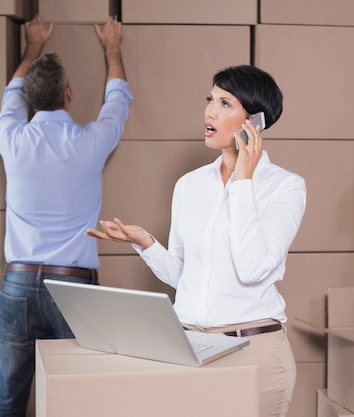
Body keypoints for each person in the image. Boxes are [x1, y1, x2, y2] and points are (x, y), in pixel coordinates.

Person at [86, 65, 306, 417]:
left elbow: (252, 268)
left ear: (256, 121)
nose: (210, 111)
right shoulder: (189, 185)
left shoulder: (285, 187)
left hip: (254, 349)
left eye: (225, 103)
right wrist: (146, 243)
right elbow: (185, 279)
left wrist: (244, 181)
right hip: (188, 346)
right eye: (210, 99)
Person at [0, 15, 132, 417]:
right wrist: (112, 49)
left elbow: (11, 94)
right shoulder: (92, 141)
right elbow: (118, 100)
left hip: (18, 284)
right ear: (69, 94)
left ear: (31, 100)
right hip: (74, 291)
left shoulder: (11, 137)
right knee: (81, 404)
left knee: (7, 402)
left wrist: (32, 46)